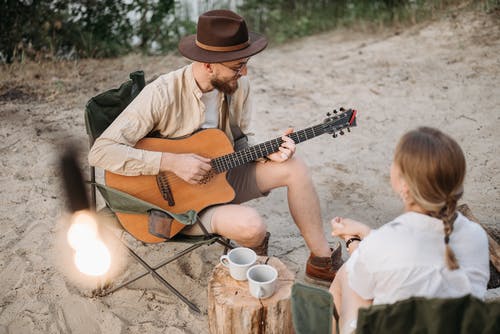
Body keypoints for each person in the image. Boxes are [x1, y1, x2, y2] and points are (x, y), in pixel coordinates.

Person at [88, 9, 342, 284]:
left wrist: (266, 153)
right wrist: (171, 162)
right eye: (237, 66)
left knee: (294, 167)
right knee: (252, 226)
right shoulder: (162, 93)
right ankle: (252, 251)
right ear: (208, 64)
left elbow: (241, 140)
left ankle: (321, 261)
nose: (243, 72)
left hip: (223, 175)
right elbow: (101, 151)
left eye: (245, 63)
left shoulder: (238, 86)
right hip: (176, 208)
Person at [328, 127, 490, 333]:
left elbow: (364, 282)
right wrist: (367, 236)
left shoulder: (384, 243)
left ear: (404, 184)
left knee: (347, 274)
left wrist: (355, 244)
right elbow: (414, 253)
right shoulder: (476, 237)